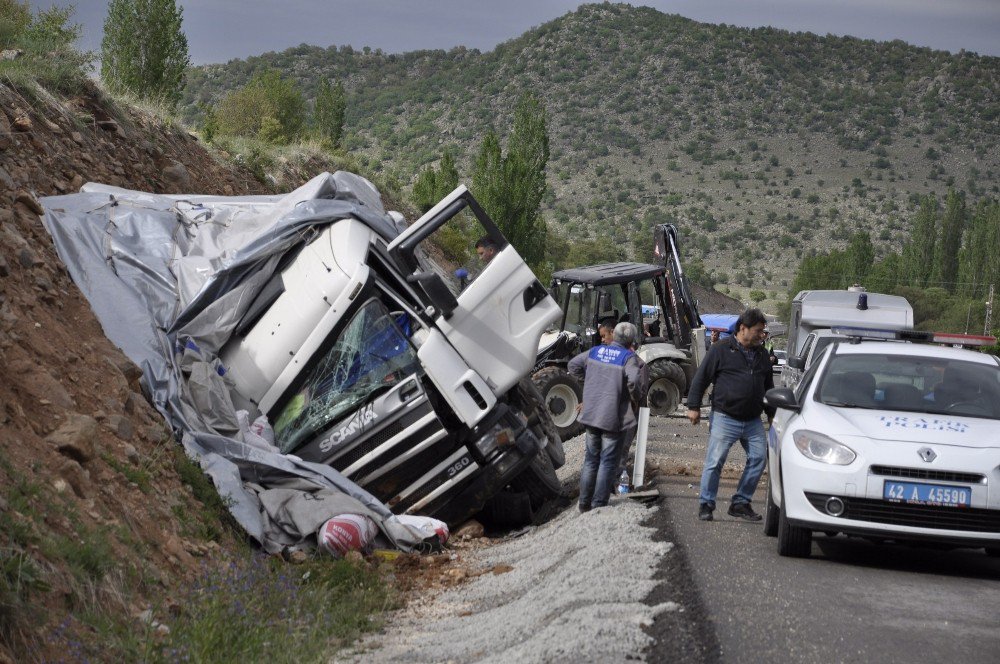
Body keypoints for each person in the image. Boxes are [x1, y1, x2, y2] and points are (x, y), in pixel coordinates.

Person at [686, 308, 775, 522]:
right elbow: (701, 378)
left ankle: (741, 503)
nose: (762, 335)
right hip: (725, 417)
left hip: (753, 421)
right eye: (759, 331)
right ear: (743, 329)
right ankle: (706, 504)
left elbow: (769, 388)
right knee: (715, 461)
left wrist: (773, 416)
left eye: (763, 331)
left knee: (758, 458)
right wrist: (694, 406)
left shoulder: (762, 355)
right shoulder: (720, 349)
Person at [569, 322, 641, 511]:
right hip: (612, 417)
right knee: (608, 461)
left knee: (591, 460)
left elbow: (573, 365)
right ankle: (599, 504)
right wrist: (634, 398)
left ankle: (584, 504)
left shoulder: (594, 352)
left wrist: (591, 383)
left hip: (591, 414)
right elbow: (634, 380)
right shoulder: (628, 357)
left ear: (614, 335)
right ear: (631, 340)